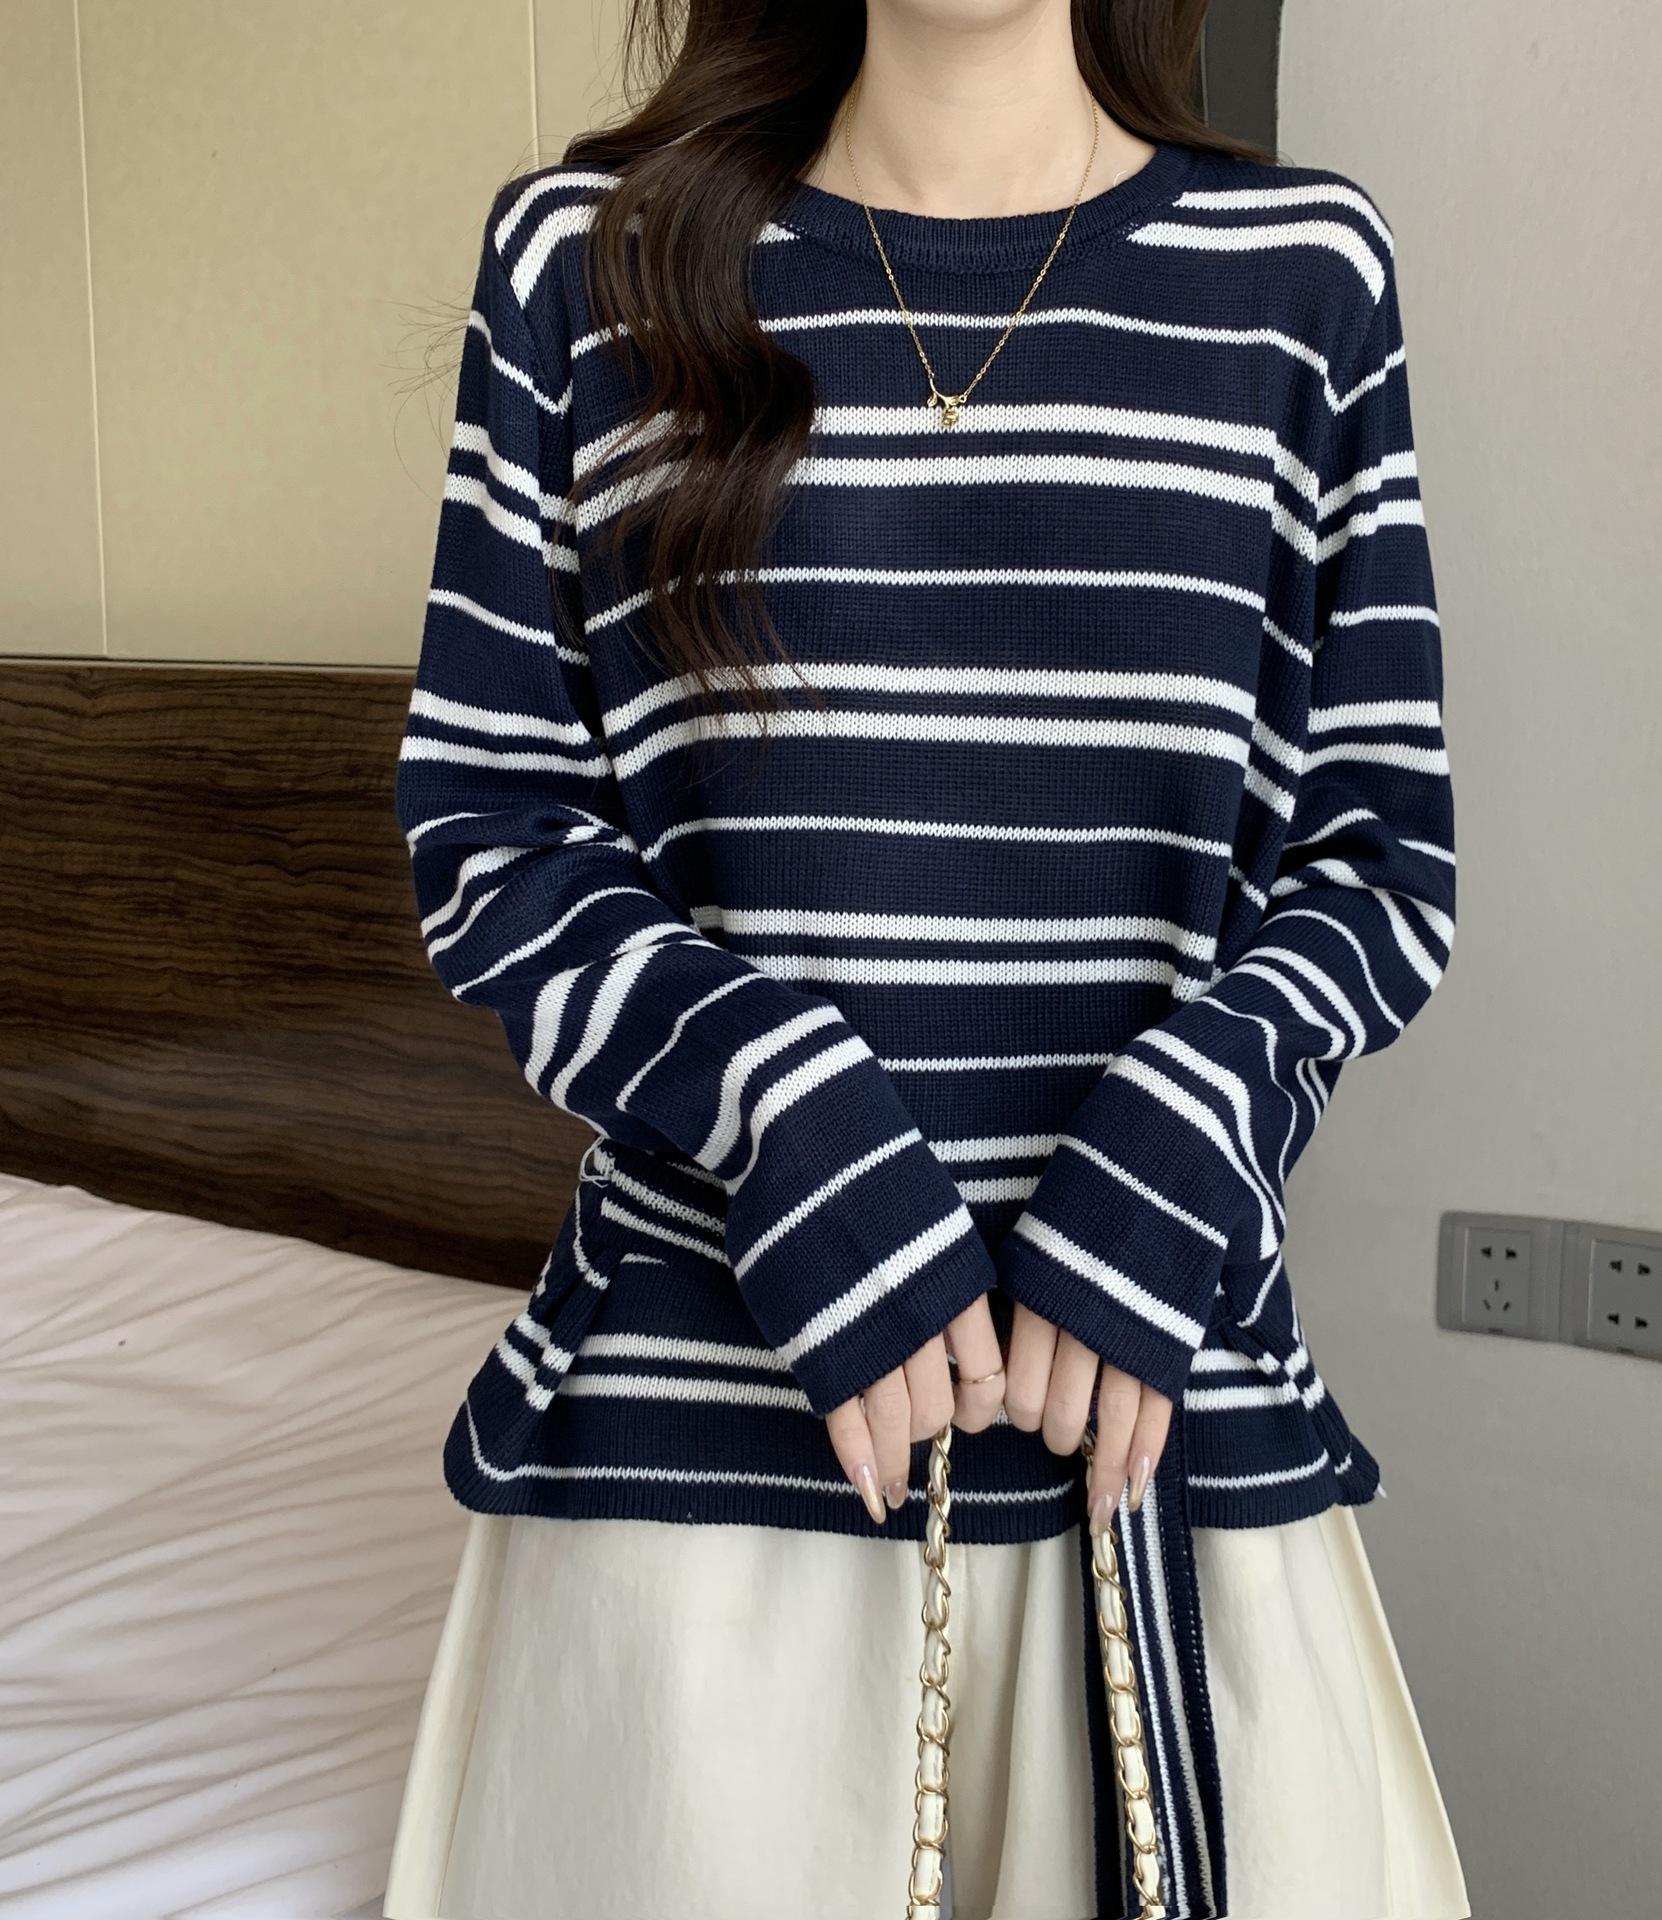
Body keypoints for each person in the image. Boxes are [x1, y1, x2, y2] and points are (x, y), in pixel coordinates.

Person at [382, 3, 1470, 1915]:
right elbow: (494, 833)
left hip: (1153, 1435)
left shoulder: (1303, 278)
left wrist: (1191, 1133)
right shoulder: (585, 262)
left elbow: (1379, 857)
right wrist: (790, 1120)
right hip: (697, 1473)